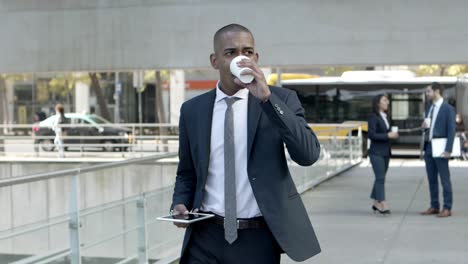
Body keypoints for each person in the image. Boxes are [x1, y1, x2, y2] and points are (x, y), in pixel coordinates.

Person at [170, 24, 321, 264]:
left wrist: (267, 100)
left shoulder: (281, 100)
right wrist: (180, 202)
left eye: (247, 52)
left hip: (257, 239)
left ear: (256, 58)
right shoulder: (192, 110)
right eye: (230, 53)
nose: (241, 59)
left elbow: (309, 155)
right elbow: (187, 171)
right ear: (215, 61)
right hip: (204, 236)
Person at [420, 82, 456, 217]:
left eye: (428, 91)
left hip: (441, 147)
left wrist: (448, 150)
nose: (427, 93)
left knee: (444, 179)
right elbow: (429, 126)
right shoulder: (430, 107)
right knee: (431, 179)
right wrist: (424, 126)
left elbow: (451, 130)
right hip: (429, 146)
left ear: (436, 92)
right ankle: (434, 206)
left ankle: (447, 208)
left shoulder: (448, 109)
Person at [367, 94, 398, 214]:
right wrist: (387, 135)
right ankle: (382, 202)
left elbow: (385, 133)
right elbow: (371, 135)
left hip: (386, 151)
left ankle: (375, 202)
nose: (388, 102)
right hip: (376, 152)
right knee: (380, 178)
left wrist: (392, 135)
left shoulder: (386, 116)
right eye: (385, 100)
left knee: (381, 177)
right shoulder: (373, 117)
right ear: (378, 103)